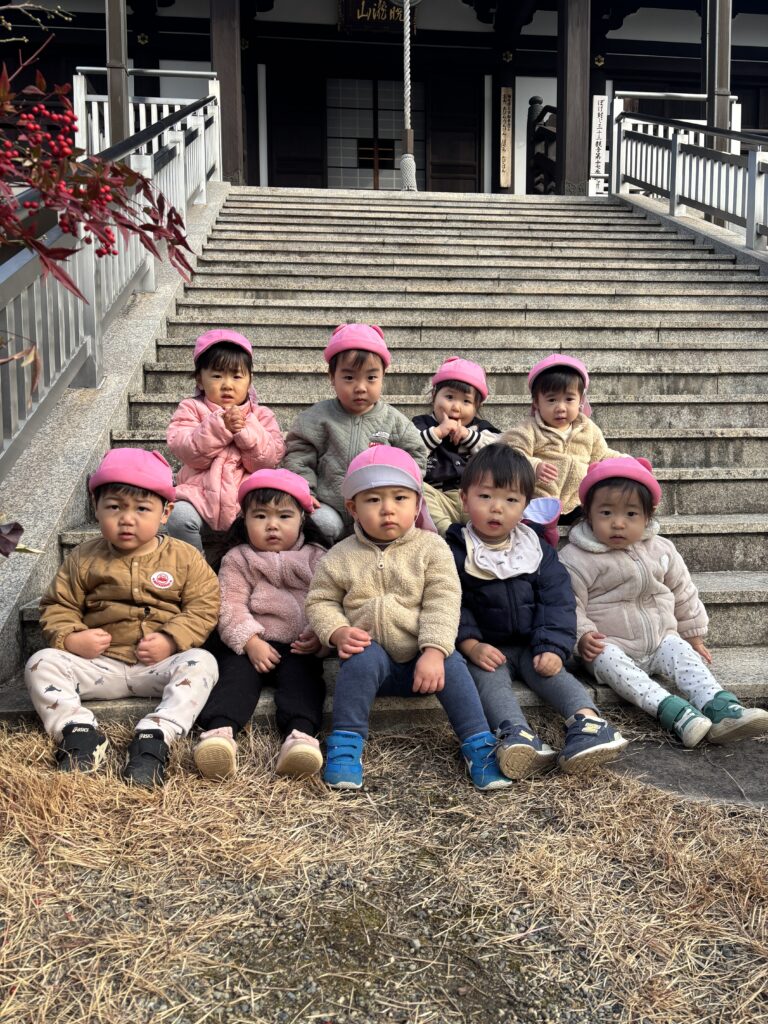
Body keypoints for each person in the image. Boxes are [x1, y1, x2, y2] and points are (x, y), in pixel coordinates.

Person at [304, 445, 512, 792]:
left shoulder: (432, 548)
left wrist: (433, 651)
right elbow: (320, 600)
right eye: (373, 500)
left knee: (453, 663)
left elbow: (443, 601)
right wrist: (337, 631)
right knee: (358, 658)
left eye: (400, 498)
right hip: (373, 661)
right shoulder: (339, 556)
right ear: (353, 508)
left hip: (424, 659)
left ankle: (478, 742)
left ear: (417, 505)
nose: (387, 509)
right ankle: (345, 744)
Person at [24, 448, 220, 786]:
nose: (127, 519)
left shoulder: (184, 557)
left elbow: (205, 605)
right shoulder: (83, 558)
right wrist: (72, 637)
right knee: (40, 663)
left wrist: (171, 639)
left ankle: (155, 735)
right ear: (96, 508)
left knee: (204, 663)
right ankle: (78, 732)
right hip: (100, 665)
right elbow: (58, 605)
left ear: (165, 513)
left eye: (142, 509)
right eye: (114, 507)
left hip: (159, 666)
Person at [446, 444, 628, 778]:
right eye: (485, 496)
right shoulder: (456, 550)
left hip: (534, 642)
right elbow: (449, 601)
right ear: (464, 498)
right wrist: (470, 645)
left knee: (551, 672)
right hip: (486, 646)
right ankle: (516, 734)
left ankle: (590, 723)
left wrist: (553, 647)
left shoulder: (536, 549)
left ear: (525, 506)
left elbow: (556, 601)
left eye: (511, 500)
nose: (497, 508)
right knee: (488, 681)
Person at [559, 457, 768, 746]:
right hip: (609, 643)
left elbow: (683, 591)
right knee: (608, 659)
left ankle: (720, 707)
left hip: (659, 638)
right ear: (588, 514)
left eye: (631, 514)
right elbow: (569, 604)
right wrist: (583, 636)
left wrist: (693, 635)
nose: (618, 523)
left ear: (648, 516)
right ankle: (674, 711)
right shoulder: (575, 558)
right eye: (606, 513)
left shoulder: (661, 549)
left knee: (681, 652)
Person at [193, 469, 329, 781]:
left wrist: (319, 636)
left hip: (300, 644)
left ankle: (300, 736)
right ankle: (219, 733)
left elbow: (328, 600)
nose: (272, 525)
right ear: (244, 520)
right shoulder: (238, 558)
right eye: (260, 516)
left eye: (284, 516)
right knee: (235, 676)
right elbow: (229, 604)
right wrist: (250, 641)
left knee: (303, 679)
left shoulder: (317, 557)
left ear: (302, 519)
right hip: (250, 643)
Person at [282, 323, 426, 544]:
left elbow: (416, 454)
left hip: (378, 507)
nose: (360, 387)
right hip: (329, 504)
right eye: (349, 378)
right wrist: (305, 492)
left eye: (371, 378)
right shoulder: (316, 418)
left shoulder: (394, 421)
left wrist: (401, 490)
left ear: (383, 376)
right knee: (323, 524)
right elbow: (298, 457)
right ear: (332, 376)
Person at [166, 329, 284, 554]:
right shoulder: (190, 409)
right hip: (198, 496)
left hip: (246, 501)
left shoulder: (262, 416)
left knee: (267, 522)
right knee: (178, 517)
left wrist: (244, 430)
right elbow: (188, 452)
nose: (227, 384)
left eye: (237, 376)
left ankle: (246, 567)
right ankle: (194, 568)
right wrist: (220, 427)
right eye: (217, 376)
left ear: (250, 380)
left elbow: (267, 463)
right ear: (200, 379)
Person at [502, 354, 626, 526]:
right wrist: (534, 465)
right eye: (552, 400)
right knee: (531, 523)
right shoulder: (530, 429)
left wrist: (627, 462)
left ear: (581, 400)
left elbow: (602, 455)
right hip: (539, 501)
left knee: (595, 517)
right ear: (536, 402)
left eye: (569, 399)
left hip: (576, 502)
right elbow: (510, 453)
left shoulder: (588, 429)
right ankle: (541, 531)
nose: (561, 407)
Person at [412, 356, 500, 536]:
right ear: (434, 396)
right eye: (449, 397)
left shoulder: (481, 429)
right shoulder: (422, 424)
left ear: (477, 406)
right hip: (439, 497)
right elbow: (409, 450)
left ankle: (483, 534)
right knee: (418, 491)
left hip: (474, 498)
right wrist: (438, 433)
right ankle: (449, 533)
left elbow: (501, 451)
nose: (456, 407)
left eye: (466, 401)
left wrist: (469, 436)